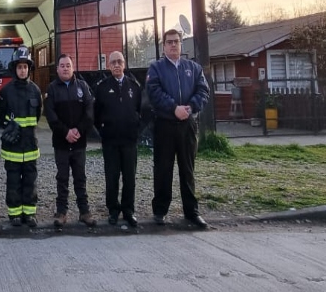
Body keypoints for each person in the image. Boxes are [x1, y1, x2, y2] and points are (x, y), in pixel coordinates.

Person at [146, 29, 210, 228]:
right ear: (163, 46)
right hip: (165, 125)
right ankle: (160, 211)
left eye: (176, 41)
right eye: (169, 42)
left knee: (187, 169)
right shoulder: (156, 68)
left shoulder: (194, 68)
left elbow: (203, 91)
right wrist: (173, 108)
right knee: (163, 169)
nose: (173, 45)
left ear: (181, 44)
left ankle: (192, 212)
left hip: (187, 126)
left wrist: (189, 108)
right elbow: (154, 92)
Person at [44, 54, 96, 228]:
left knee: (80, 178)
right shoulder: (52, 89)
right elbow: (51, 115)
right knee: (62, 178)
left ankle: (84, 212)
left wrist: (78, 131)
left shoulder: (82, 86)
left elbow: (89, 112)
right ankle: (61, 212)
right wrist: (65, 132)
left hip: (79, 143)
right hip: (61, 143)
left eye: (68, 65)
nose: (65, 68)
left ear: (73, 68)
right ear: (57, 69)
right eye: (62, 66)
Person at [0, 45, 43, 228]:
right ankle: (14, 214)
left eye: (25, 67)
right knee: (13, 180)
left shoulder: (36, 91)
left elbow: (38, 114)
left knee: (30, 181)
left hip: (30, 146)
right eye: (19, 67)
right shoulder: (7, 91)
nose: (23, 70)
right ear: (14, 69)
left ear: (29, 69)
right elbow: (1, 115)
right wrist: (8, 127)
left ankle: (29, 213)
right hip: (12, 147)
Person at [94, 51, 141, 228]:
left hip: (129, 140)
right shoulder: (102, 87)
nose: (116, 65)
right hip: (111, 141)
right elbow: (96, 114)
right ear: (108, 66)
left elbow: (140, 110)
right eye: (113, 62)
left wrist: (135, 128)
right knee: (112, 177)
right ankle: (113, 210)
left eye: (119, 61)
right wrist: (103, 131)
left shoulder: (134, 86)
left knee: (130, 177)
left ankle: (128, 210)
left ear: (124, 64)